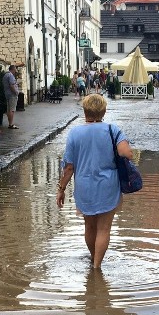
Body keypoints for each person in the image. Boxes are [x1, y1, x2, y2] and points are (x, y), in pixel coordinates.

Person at [56, 94, 134, 270]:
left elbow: (69, 168)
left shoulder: (74, 133)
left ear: (84, 111)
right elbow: (127, 153)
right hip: (108, 185)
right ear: (104, 111)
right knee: (104, 228)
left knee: (89, 226)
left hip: (84, 186)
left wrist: (61, 189)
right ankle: (97, 266)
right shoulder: (113, 130)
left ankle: (93, 259)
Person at [3, 64, 20, 129]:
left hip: (7, 94)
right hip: (12, 95)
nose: (16, 71)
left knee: (9, 109)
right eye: (15, 69)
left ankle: (10, 123)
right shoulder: (11, 75)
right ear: (13, 69)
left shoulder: (5, 75)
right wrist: (16, 92)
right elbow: (11, 86)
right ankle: (11, 124)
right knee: (12, 110)